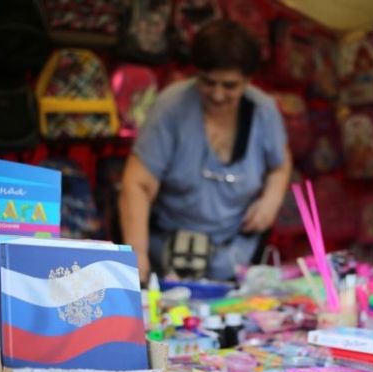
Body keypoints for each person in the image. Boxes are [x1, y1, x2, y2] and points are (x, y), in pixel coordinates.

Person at [119, 19, 292, 284]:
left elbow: (280, 164)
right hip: (167, 256)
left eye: (230, 85)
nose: (218, 95)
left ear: (248, 81)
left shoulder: (263, 111)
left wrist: (271, 198)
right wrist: (137, 254)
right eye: (208, 82)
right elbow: (137, 184)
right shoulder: (171, 107)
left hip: (234, 256)